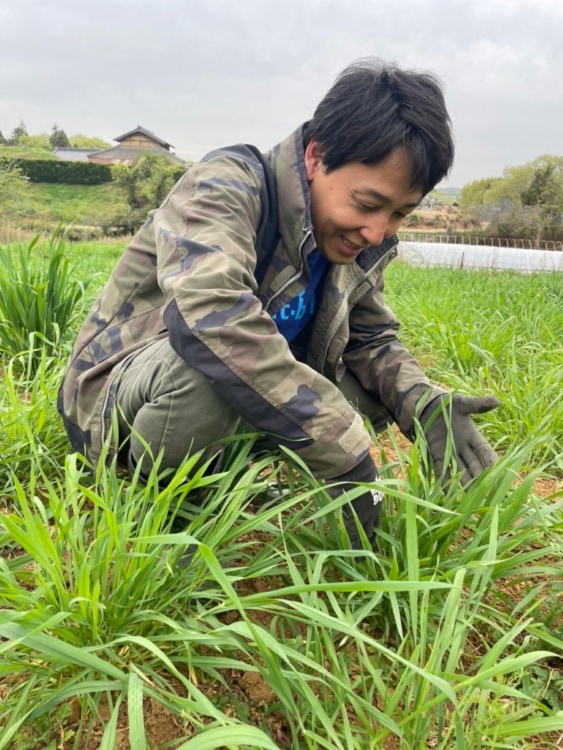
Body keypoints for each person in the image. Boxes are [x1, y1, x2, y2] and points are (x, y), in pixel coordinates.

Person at [58, 59, 499, 548]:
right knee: (210, 364)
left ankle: (225, 468)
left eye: (400, 213)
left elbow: (372, 338)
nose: (378, 231)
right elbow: (211, 319)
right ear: (316, 157)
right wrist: (342, 447)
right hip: (115, 401)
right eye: (368, 204)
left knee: (373, 394)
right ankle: (162, 513)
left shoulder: (352, 238)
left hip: (227, 393)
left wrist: (422, 403)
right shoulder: (225, 185)